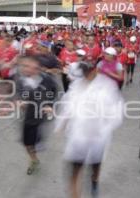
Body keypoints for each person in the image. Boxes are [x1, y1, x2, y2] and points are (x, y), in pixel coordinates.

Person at [55, 61, 123, 198]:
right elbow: (67, 106)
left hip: (97, 138)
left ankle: (94, 180)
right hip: (78, 138)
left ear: (93, 72)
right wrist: (61, 125)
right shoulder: (75, 86)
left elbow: (117, 111)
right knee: (74, 171)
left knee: (95, 166)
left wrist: (105, 127)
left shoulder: (107, 87)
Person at [14, 56, 57, 175]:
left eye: (27, 66)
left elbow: (54, 92)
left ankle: (39, 140)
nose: (24, 68)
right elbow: (18, 92)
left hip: (41, 116)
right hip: (28, 117)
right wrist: (19, 101)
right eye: (22, 66)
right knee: (28, 144)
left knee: (37, 140)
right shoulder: (21, 80)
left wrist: (50, 105)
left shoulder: (47, 79)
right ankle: (34, 159)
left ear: (36, 67)